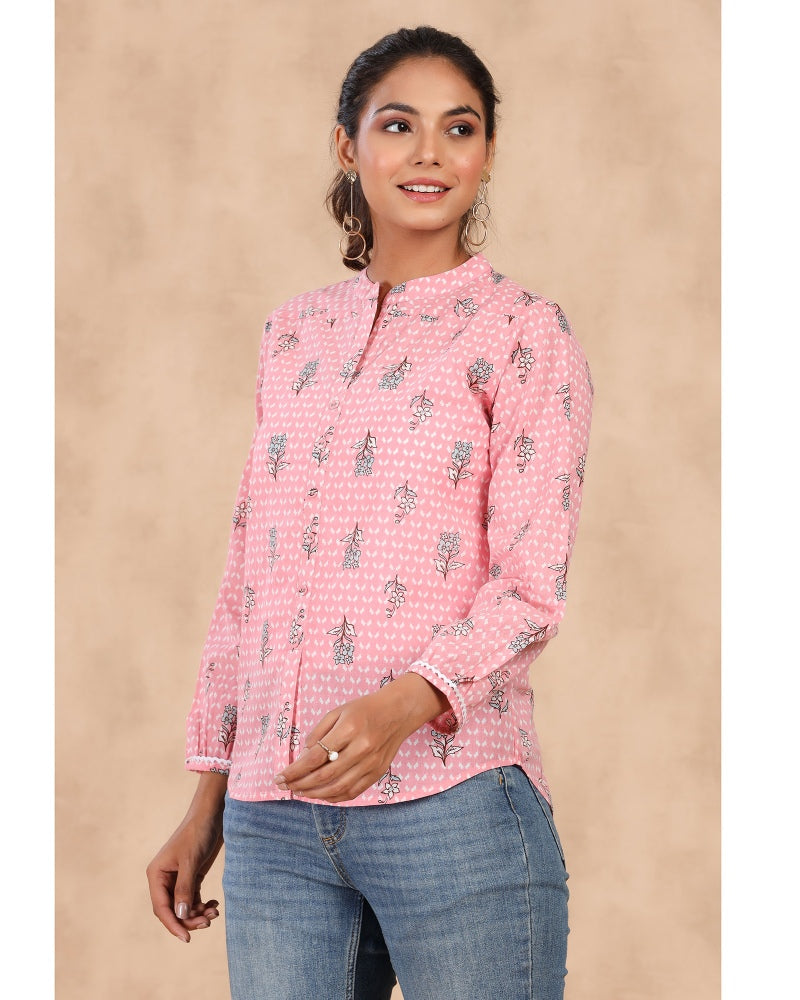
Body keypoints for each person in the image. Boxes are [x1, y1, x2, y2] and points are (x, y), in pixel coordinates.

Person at [147, 25, 594, 1000]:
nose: (430, 152)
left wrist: (400, 708)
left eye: (458, 128)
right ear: (348, 146)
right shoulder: (293, 334)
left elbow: (530, 587)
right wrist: (210, 799)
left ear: (486, 154)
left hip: (453, 805)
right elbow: (252, 576)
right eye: (399, 125)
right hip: (273, 820)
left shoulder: (524, 334)